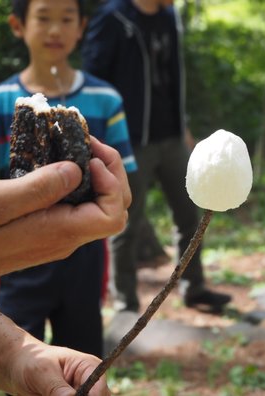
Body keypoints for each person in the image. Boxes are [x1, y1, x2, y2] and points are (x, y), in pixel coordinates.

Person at [0, 0, 137, 359]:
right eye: (44, 17)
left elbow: (123, 174)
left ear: (82, 26)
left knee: (83, 353)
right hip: (17, 251)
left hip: (86, 251)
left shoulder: (106, 99)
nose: (55, 29)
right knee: (19, 353)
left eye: (67, 19)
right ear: (18, 25)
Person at [82, 0, 231, 313]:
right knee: (125, 222)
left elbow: (172, 77)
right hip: (130, 141)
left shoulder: (170, 16)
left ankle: (194, 287)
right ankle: (125, 303)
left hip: (172, 136)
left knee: (191, 214)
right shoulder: (113, 18)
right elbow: (93, 82)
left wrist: (184, 126)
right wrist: (103, 139)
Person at [0, 140, 128, 395]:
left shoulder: (105, 100)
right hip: (18, 275)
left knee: (82, 336)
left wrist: (15, 359)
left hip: (84, 259)